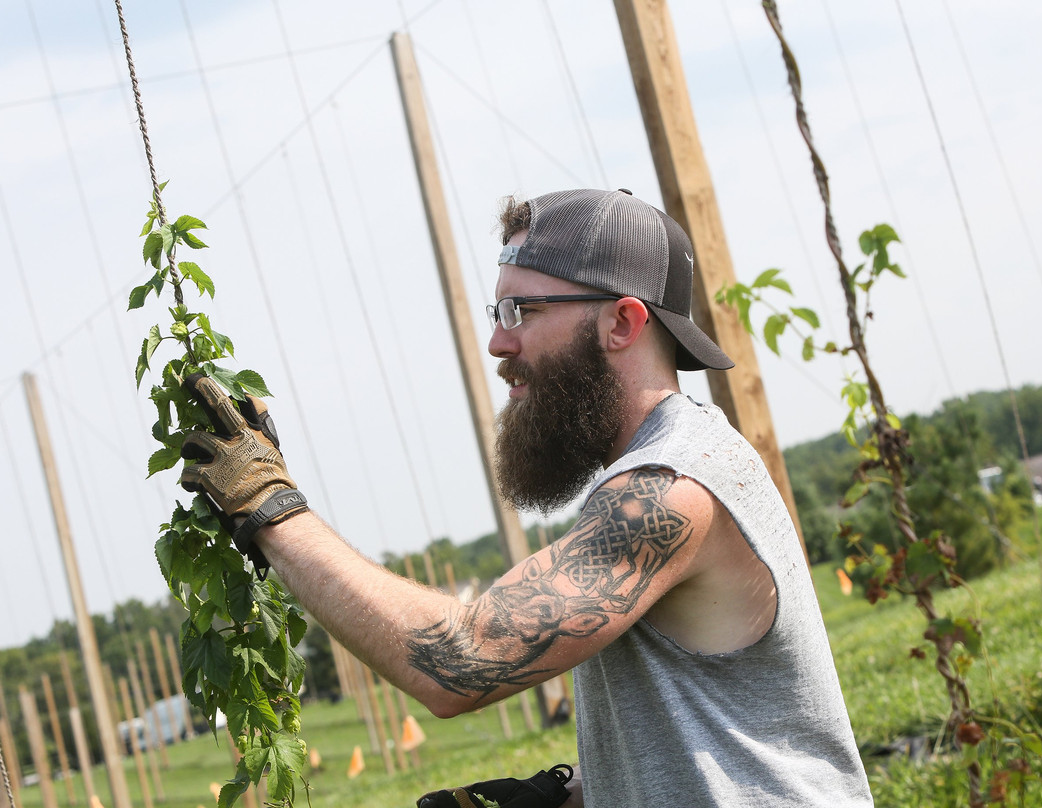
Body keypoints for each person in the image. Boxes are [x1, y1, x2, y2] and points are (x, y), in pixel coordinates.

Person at [179, 188, 874, 807]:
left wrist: (268, 506)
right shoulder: (668, 463)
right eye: (497, 309)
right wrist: (572, 795)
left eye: (522, 310)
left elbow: (462, 658)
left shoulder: (671, 488)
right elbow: (723, 733)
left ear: (623, 323)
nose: (496, 341)